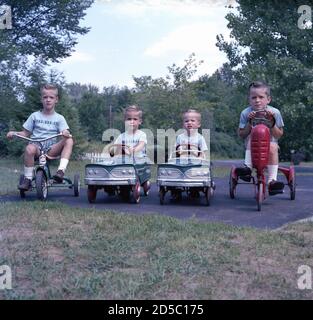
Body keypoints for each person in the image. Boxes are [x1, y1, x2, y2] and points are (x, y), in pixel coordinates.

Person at [7, 84, 73, 190]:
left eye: (51, 97)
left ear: (56, 99)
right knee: (29, 148)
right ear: (41, 99)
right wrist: (14, 133)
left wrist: (65, 132)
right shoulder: (34, 116)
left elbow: (64, 131)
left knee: (69, 140)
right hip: (36, 148)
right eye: (45, 97)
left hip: (51, 150)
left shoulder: (59, 118)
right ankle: (28, 179)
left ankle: (60, 171)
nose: (48, 100)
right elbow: (25, 133)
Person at [236, 81, 284, 195]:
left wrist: (272, 122)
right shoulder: (245, 113)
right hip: (252, 145)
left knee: (272, 146)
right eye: (254, 97)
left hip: (270, 144)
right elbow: (242, 134)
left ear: (268, 99)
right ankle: (247, 168)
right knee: (252, 136)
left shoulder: (275, 112)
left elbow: (279, 135)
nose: (257, 100)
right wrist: (249, 122)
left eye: (261, 97)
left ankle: (272, 181)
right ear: (249, 99)